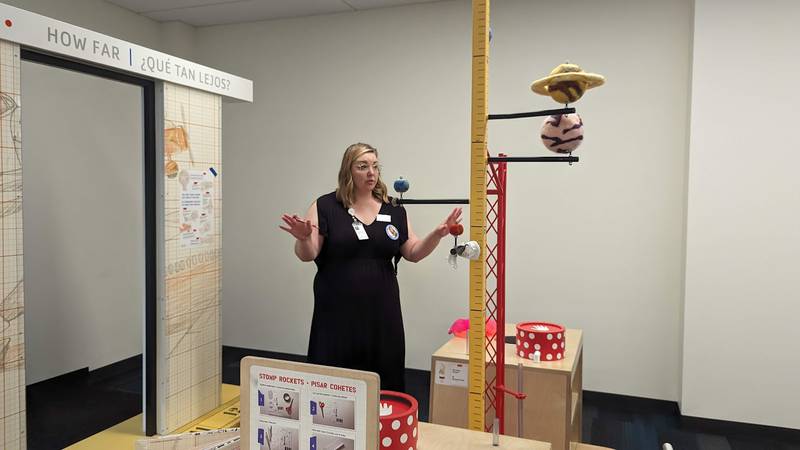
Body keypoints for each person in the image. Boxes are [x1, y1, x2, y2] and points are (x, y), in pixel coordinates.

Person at [280, 142, 462, 392]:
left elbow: (413, 252)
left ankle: (385, 424)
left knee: (384, 374)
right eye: (363, 166)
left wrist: (438, 234)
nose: (371, 173)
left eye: (375, 166)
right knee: (336, 376)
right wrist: (303, 237)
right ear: (348, 171)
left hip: (382, 311)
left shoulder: (393, 209)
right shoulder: (325, 206)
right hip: (336, 311)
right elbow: (308, 254)